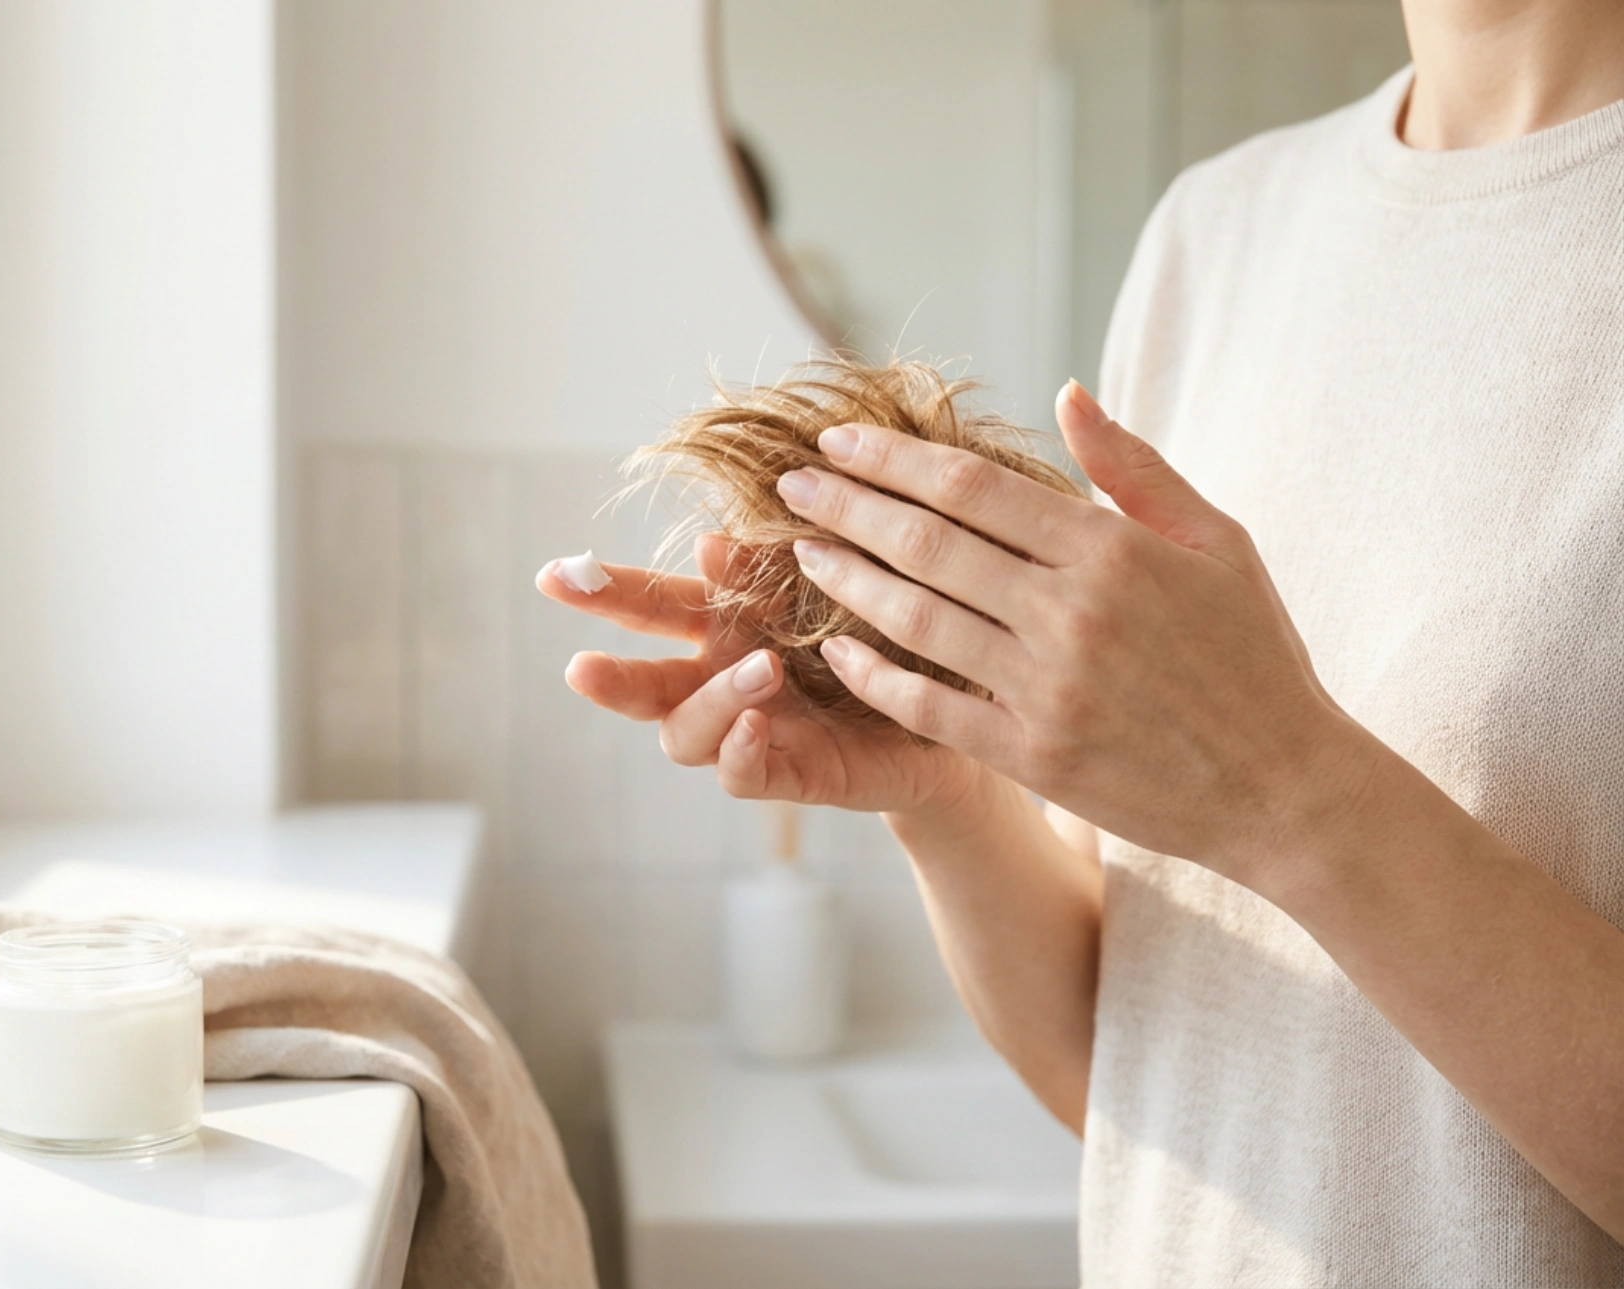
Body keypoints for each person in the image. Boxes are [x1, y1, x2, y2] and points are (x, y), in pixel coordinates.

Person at [539, 0, 1624, 1281]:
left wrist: (1288, 788)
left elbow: (1276, 797)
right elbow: (1124, 1074)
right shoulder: (1220, 234)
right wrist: (945, 783)